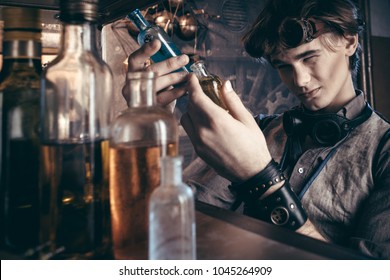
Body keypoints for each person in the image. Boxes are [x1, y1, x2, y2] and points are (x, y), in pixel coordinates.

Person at [125, 0, 390, 259]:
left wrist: (262, 179)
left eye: (310, 58)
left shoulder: (384, 151)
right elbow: (173, 224)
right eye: (284, 66)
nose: (300, 80)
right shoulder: (259, 130)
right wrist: (147, 123)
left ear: (350, 41)